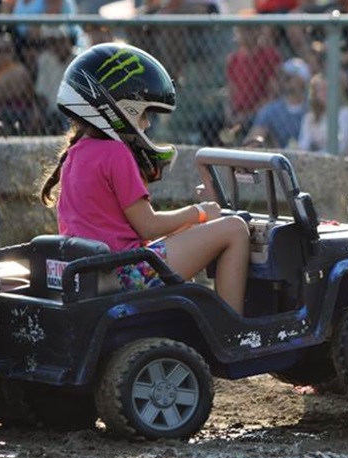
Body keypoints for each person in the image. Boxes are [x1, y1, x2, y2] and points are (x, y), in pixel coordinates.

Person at [40, 43, 250, 313]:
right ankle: (233, 331)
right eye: (143, 114)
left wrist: (191, 223)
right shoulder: (116, 152)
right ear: (119, 109)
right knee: (234, 228)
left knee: (194, 230)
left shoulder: (75, 154)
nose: (147, 124)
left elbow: (124, 225)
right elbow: (148, 227)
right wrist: (199, 212)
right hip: (127, 275)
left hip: (94, 275)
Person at [243, 57, 311, 149]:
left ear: (302, 81)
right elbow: (254, 139)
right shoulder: (271, 110)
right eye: (285, 76)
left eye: (290, 77)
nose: (285, 80)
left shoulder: (312, 110)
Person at [297, 73, 348, 157]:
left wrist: (315, 156)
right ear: (314, 94)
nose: (325, 93)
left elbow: (342, 147)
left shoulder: (345, 113)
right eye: (321, 89)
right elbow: (303, 145)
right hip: (319, 161)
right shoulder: (310, 118)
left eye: (328, 89)